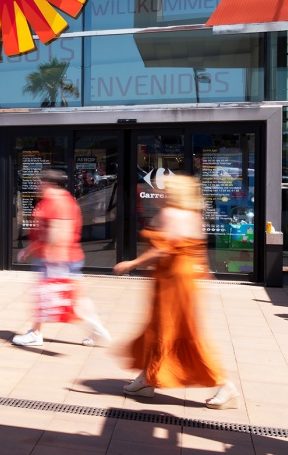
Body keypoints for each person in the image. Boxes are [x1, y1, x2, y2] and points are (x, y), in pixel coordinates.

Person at [113, 173, 238, 409]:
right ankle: (147, 378)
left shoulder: (170, 214)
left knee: (172, 330)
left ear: (173, 193)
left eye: (163, 189)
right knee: (163, 328)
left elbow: (162, 250)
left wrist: (131, 264)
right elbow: (196, 253)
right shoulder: (193, 215)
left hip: (172, 280)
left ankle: (224, 385)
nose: (157, 192)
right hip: (183, 280)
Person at [12, 169, 111, 348]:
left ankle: (36, 334)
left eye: (39, 183)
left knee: (49, 297)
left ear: (49, 183)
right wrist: (29, 249)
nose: (37, 186)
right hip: (60, 257)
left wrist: (53, 260)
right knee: (73, 298)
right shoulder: (57, 200)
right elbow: (45, 233)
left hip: (57, 259)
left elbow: (59, 232)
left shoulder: (58, 202)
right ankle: (97, 331)